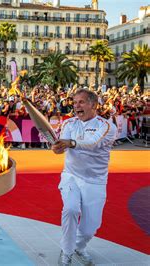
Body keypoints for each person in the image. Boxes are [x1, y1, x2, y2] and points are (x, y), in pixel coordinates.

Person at [52, 89, 117, 266]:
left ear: (93, 105)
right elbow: (62, 146)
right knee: (71, 210)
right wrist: (59, 148)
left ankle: (79, 247)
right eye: (74, 102)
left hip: (95, 180)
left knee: (90, 228)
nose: (76, 106)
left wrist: (70, 143)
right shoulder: (69, 124)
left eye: (81, 102)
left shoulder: (107, 127)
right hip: (71, 176)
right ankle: (66, 253)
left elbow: (92, 143)